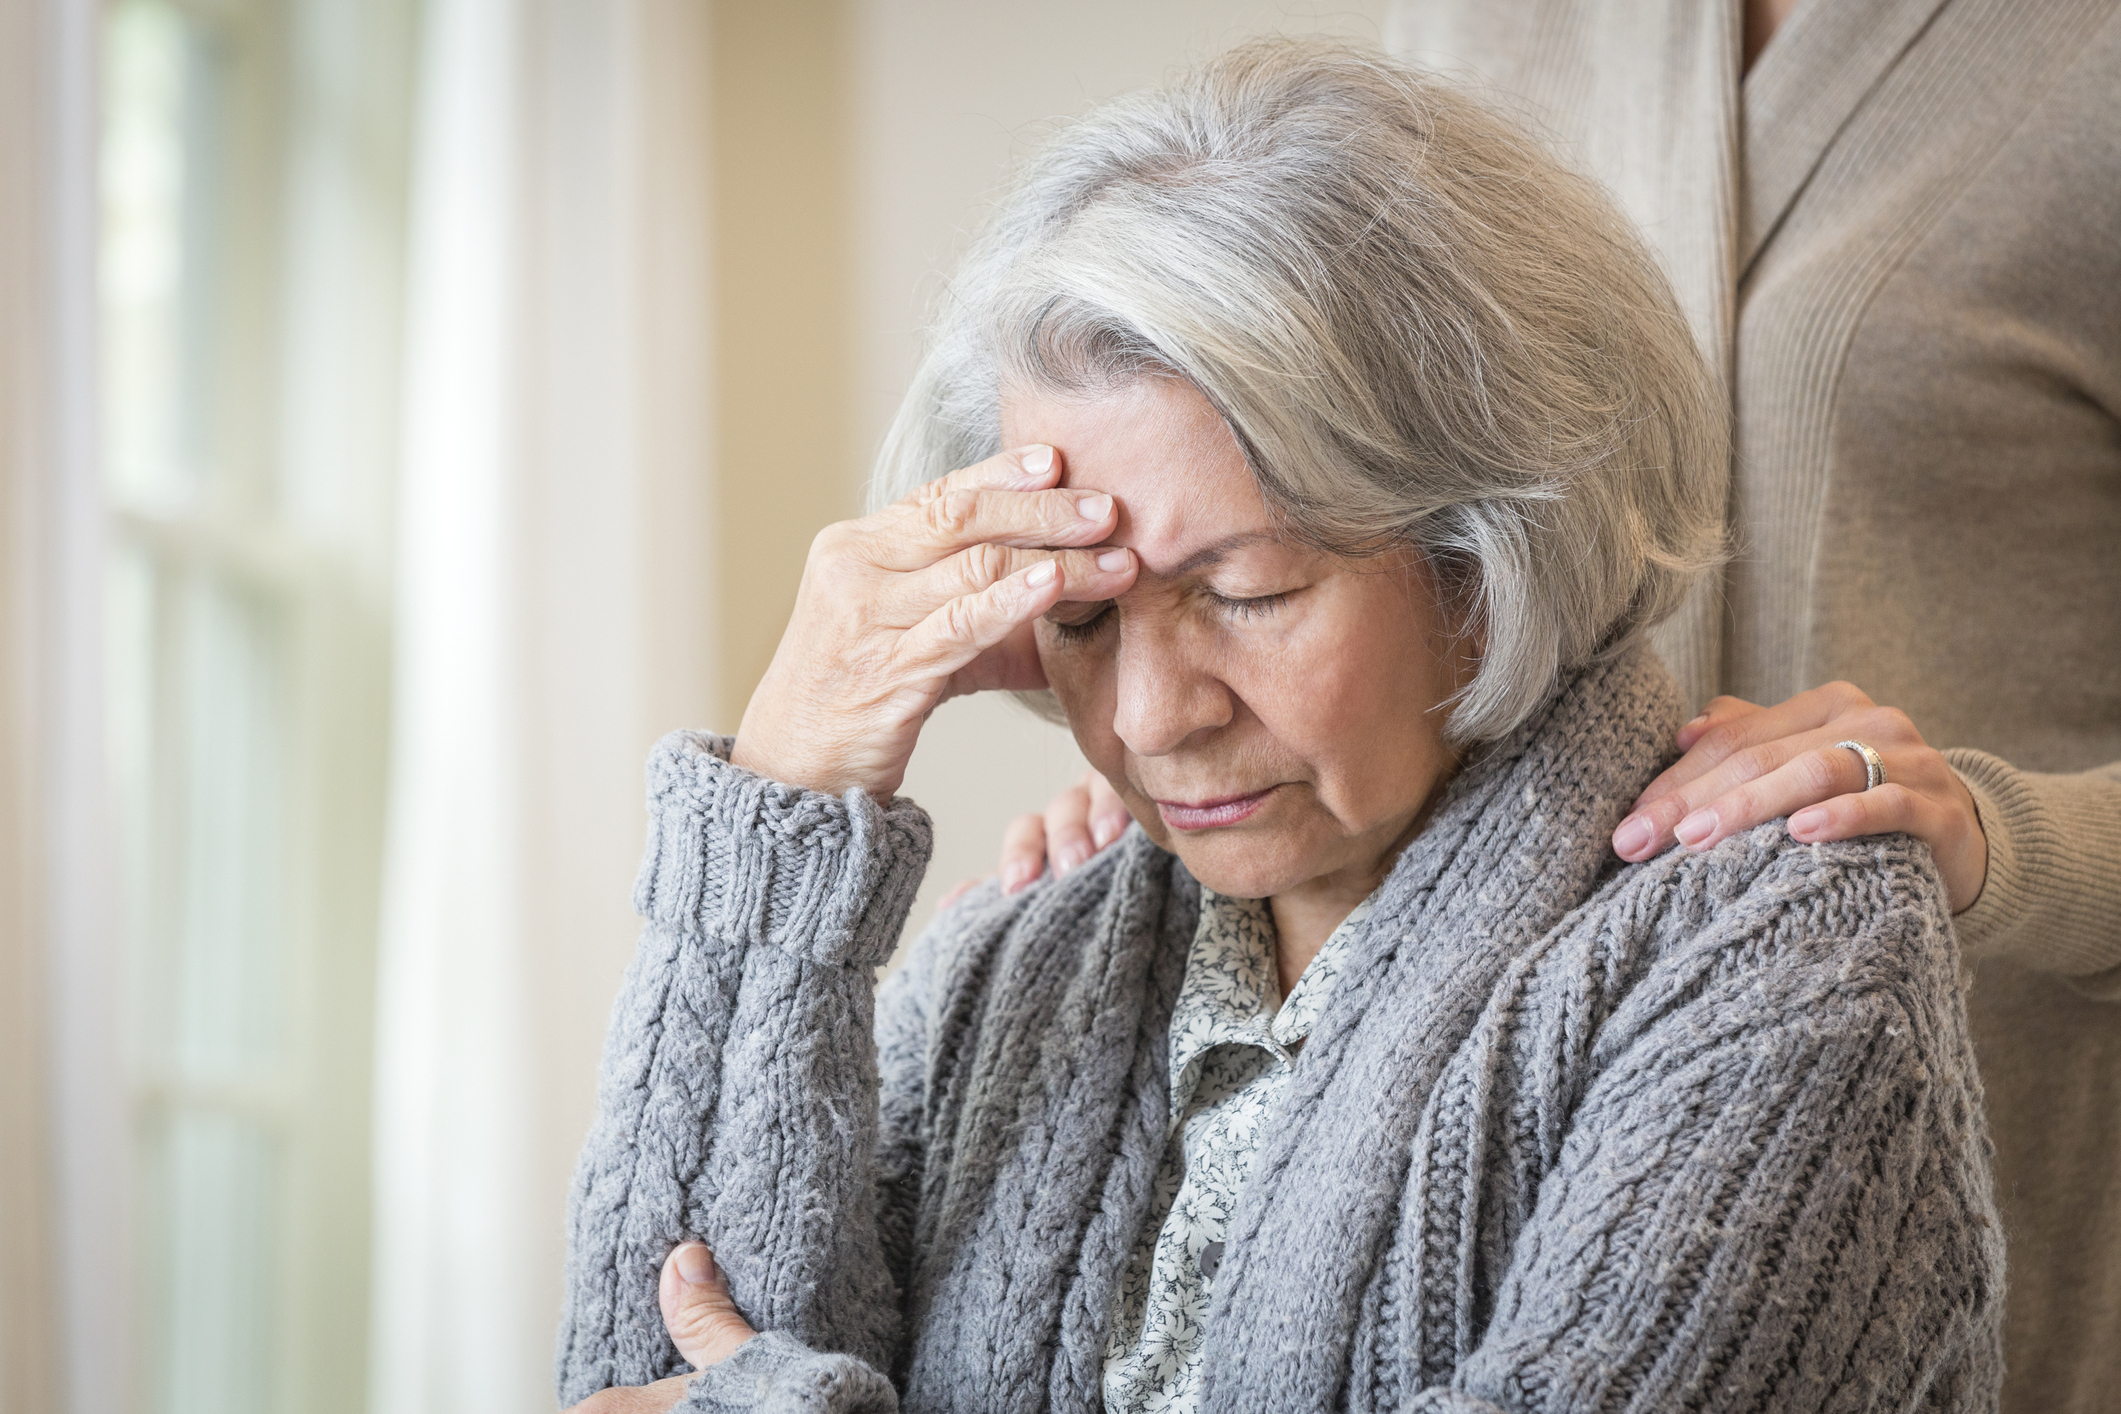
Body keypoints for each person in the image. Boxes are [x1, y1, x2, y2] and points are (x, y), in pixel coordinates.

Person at [556, 43, 2002, 1414]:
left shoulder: (1787, 963)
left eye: (1242, 593)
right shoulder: (1012, 963)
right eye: (1079, 613)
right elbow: (643, 1360)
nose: (1146, 719)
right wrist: (789, 792)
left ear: (1485, 559)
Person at [1002, 4, 2121, 1409]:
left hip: (1962, 1138)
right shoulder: (1483, 27)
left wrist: (2004, 843)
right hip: (1503, 1077)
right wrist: (1190, 744)